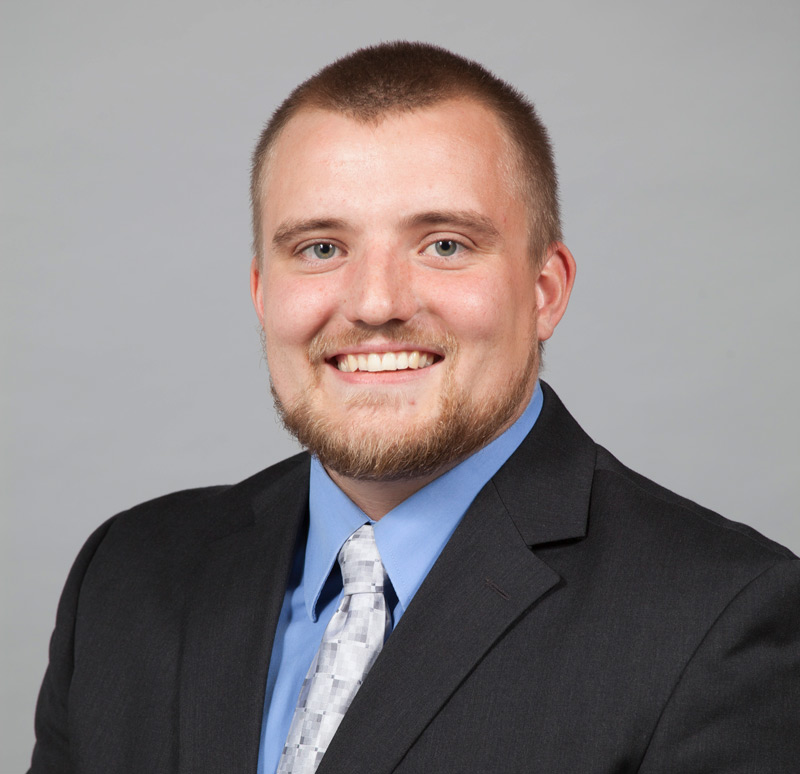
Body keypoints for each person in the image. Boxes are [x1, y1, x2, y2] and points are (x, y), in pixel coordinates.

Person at [30, 42, 799, 774]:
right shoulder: (128, 578)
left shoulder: (718, 623)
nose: (375, 303)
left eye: (445, 245)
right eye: (321, 248)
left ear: (544, 292)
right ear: (263, 294)